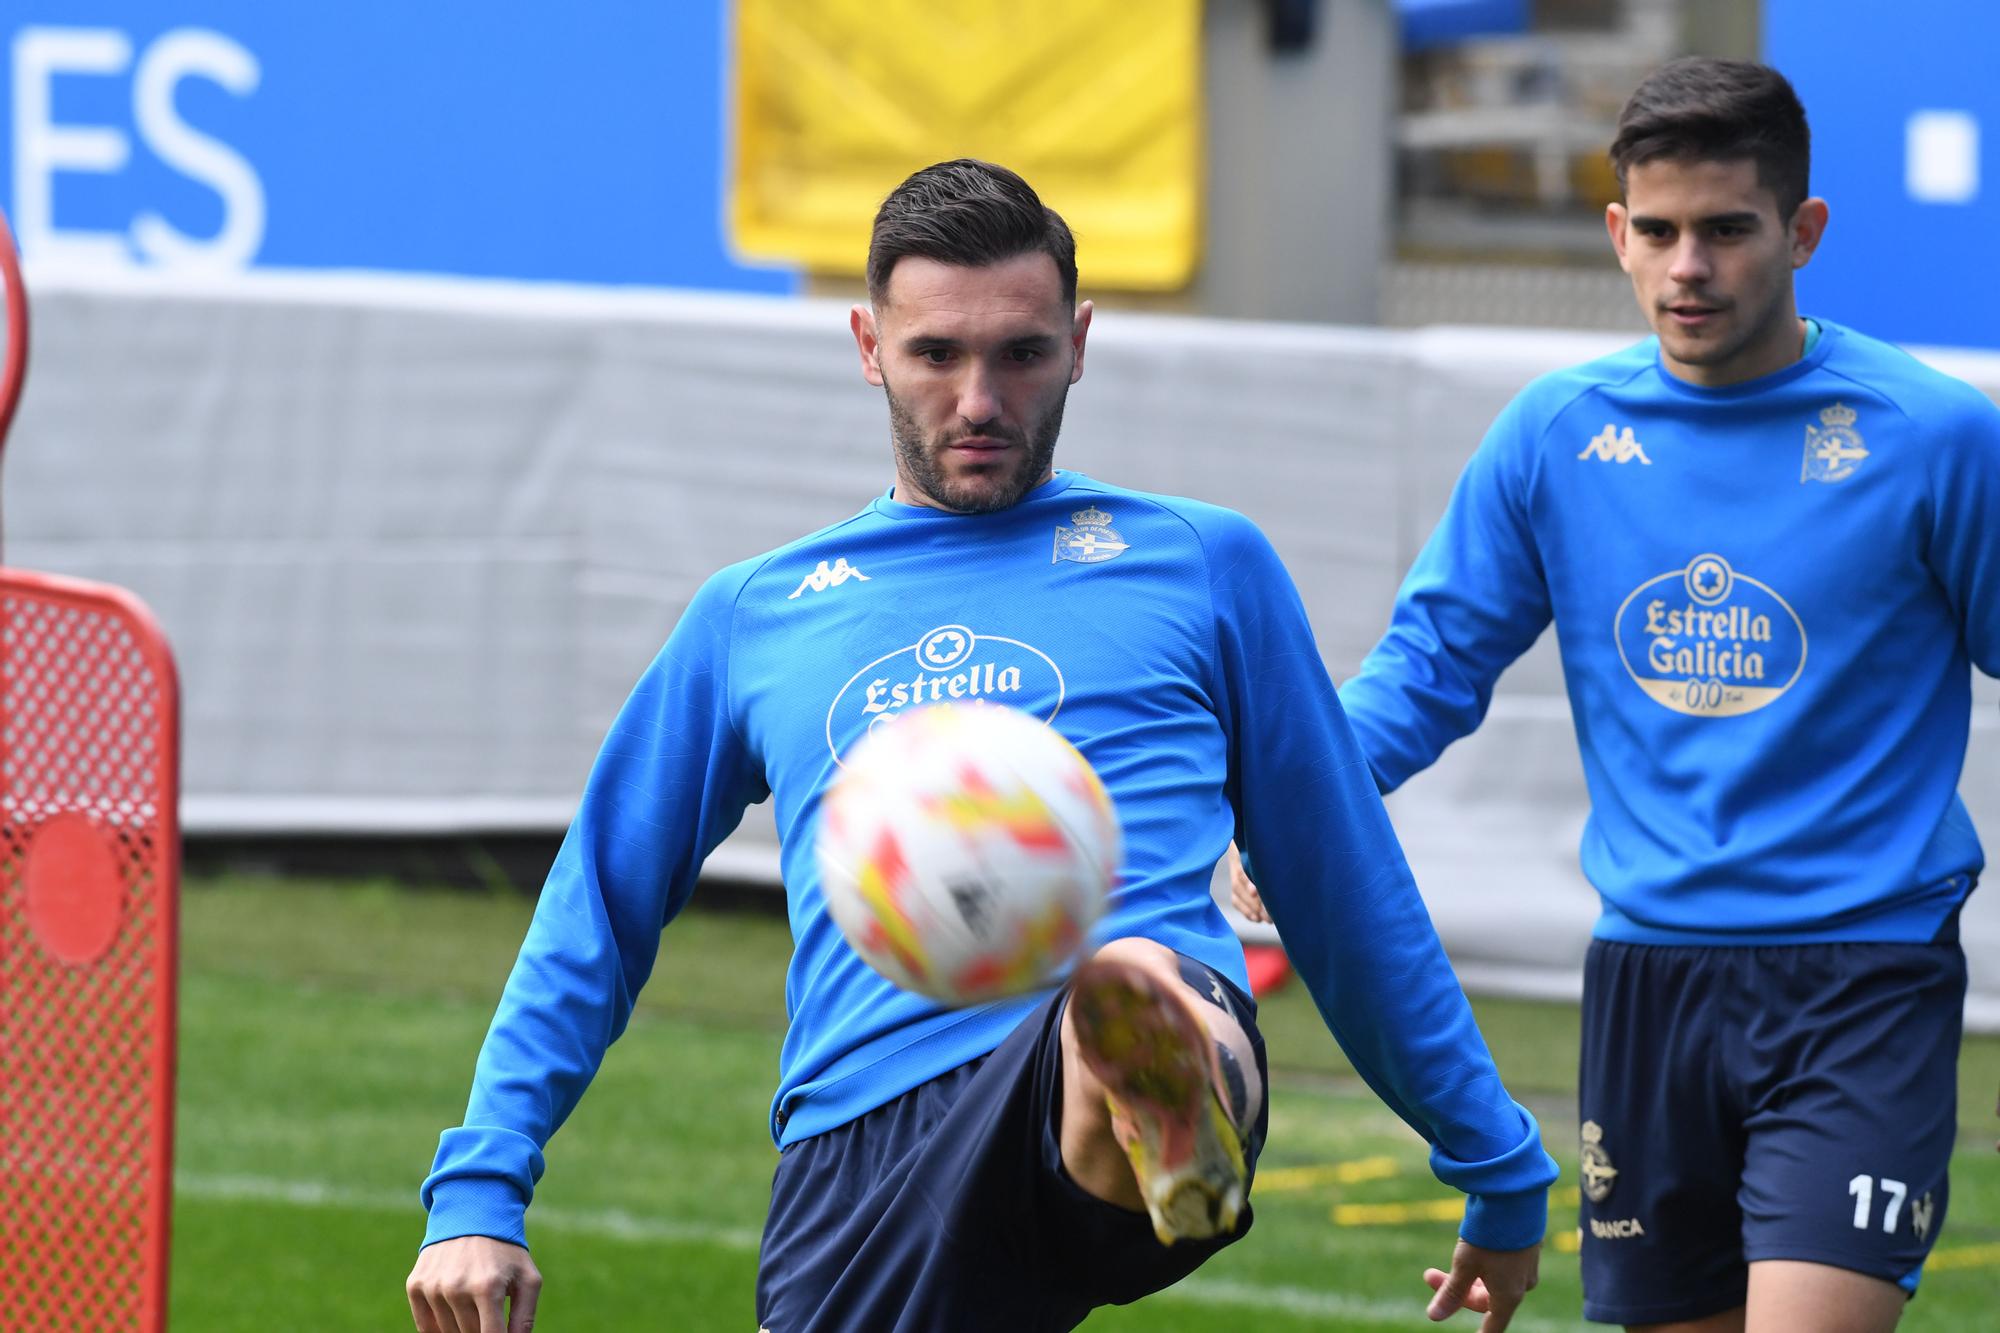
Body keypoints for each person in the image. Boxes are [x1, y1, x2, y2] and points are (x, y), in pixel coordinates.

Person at [404, 158, 1556, 1333]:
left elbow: (1340, 886)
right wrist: (479, 1184)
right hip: (866, 1127)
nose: (979, 399)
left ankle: (1160, 1096)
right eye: (936, 355)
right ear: (867, 346)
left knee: (1133, 987)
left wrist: (1493, 1157)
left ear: (1080, 341)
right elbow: (599, 898)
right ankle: (1143, 1083)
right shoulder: (758, 612)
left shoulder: (1202, 565)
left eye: (1020, 354)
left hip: (1111, 1040)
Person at [1233, 57, 1997, 1332]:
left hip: (1862, 978)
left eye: (1724, 230)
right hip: (1645, 983)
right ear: (1616, 235)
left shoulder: (1932, 436)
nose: (1685, 266)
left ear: (1802, 233)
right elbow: (1427, 665)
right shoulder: (1554, 434)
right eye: (1656, 232)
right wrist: (1299, 802)